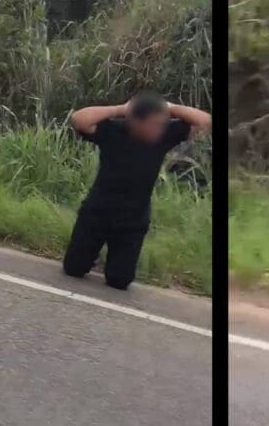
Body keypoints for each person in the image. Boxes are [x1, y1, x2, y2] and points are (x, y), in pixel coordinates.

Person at [64, 91, 211, 290]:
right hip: (96, 213)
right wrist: (121, 109)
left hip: (133, 221)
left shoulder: (164, 136)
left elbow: (205, 121)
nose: (159, 128)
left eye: (162, 123)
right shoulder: (113, 131)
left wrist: (168, 107)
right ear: (135, 121)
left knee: (119, 281)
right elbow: (79, 119)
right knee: (73, 270)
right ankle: (90, 255)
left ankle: (112, 262)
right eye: (154, 123)